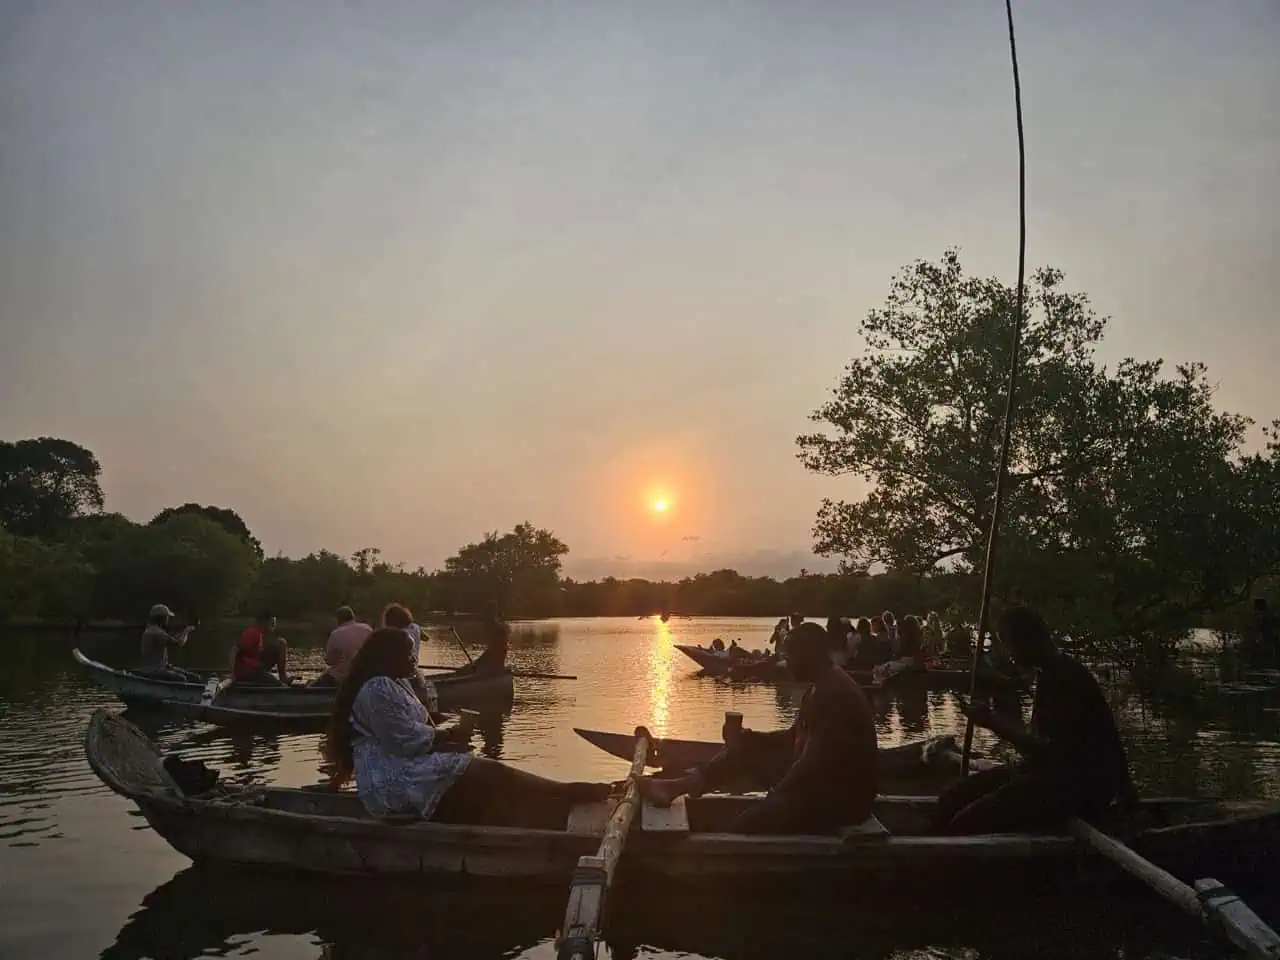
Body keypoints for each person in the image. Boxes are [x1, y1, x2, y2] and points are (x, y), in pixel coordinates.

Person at [325, 628, 611, 822]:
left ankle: (554, 802)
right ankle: (565, 792)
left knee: (481, 776)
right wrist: (448, 734)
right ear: (389, 658)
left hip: (406, 766)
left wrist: (448, 740)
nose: (414, 660)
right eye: (408, 655)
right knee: (492, 771)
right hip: (391, 782)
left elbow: (414, 733)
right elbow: (404, 742)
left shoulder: (397, 683)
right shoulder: (377, 688)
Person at [638, 622, 878, 834]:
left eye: (791, 655)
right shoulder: (818, 686)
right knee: (746, 748)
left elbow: (810, 765)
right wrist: (751, 739)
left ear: (810, 655)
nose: (786, 662)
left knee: (746, 824)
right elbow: (793, 738)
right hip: (823, 782)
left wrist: (776, 798)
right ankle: (677, 786)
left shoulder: (833, 694)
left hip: (842, 799)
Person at [935, 606, 1132, 835]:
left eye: (1008, 644)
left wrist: (992, 722)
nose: (1009, 654)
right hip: (1043, 774)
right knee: (951, 798)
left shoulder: (1068, 679)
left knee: (964, 823)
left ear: (1026, 641)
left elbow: (1048, 750)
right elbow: (1033, 747)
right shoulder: (1046, 674)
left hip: (1073, 786)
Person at [311, 606, 373, 687]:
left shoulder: (335, 634)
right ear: (353, 617)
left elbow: (330, 662)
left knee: (315, 684)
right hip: (365, 677)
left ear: (338, 620)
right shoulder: (367, 629)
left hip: (341, 678)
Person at [137, 604, 201, 682]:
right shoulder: (156, 633)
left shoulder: (153, 630)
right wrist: (186, 631)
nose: (168, 619)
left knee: (194, 677)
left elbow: (172, 639)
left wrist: (183, 631)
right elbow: (179, 643)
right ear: (161, 618)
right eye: (167, 617)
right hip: (154, 669)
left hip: (160, 667)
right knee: (182, 678)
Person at [232, 612, 290, 685]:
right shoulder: (252, 633)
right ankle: (280, 684)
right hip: (249, 671)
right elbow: (234, 650)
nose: (274, 627)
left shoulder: (259, 634)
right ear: (264, 623)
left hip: (257, 666)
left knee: (281, 643)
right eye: (272, 624)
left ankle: (283, 677)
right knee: (278, 685)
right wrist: (233, 674)